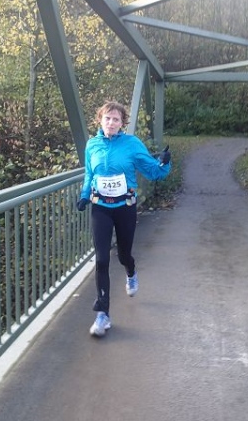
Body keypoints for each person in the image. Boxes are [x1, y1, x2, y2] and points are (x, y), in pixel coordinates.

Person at [76, 101, 171, 337]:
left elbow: (152, 170)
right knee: (101, 259)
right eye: (107, 118)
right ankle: (103, 314)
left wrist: (164, 162)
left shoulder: (131, 144)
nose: (111, 123)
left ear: (122, 123)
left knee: (123, 254)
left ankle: (131, 272)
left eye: (116, 119)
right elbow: (89, 173)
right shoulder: (92, 145)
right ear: (100, 120)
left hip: (125, 207)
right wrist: (84, 195)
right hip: (100, 208)